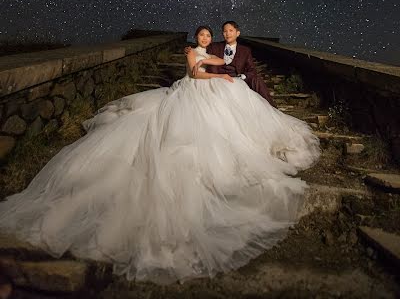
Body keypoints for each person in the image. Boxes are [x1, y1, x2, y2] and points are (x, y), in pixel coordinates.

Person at [0, 26, 321, 286]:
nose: (207, 40)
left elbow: (226, 68)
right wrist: (220, 75)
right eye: (205, 36)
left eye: (212, 37)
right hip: (192, 89)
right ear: (198, 38)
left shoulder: (213, 52)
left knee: (227, 101)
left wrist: (226, 75)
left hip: (207, 89)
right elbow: (196, 75)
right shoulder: (192, 52)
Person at [185, 20, 277, 107]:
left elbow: (252, 69)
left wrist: (242, 77)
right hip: (218, 79)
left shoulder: (245, 50)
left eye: (231, 31)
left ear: (238, 33)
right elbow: (201, 48)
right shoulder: (215, 46)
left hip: (236, 78)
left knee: (256, 79)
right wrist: (187, 50)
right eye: (225, 31)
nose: (228, 34)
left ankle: (272, 108)